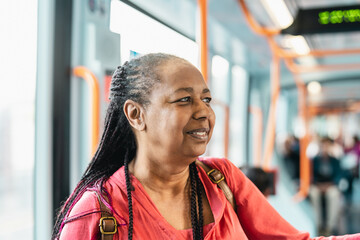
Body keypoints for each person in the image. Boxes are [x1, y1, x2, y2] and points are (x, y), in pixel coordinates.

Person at [52, 53, 360, 240]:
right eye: (184, 99)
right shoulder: (97, 213)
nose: (204, 112)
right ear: (136, 114)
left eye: (207, 99)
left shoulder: (222, 178)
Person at [308, 137, 344, 236]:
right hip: (317, 185)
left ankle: (329, 226)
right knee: (313, 194)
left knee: (334, 194)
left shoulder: (335, 161)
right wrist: (318, 185)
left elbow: (339, 175)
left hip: (330, 185)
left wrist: (329, 185)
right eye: (323, 146)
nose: (325, 148)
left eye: (327, 146)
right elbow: (310, 175)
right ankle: (318, 225)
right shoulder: (314, 160)